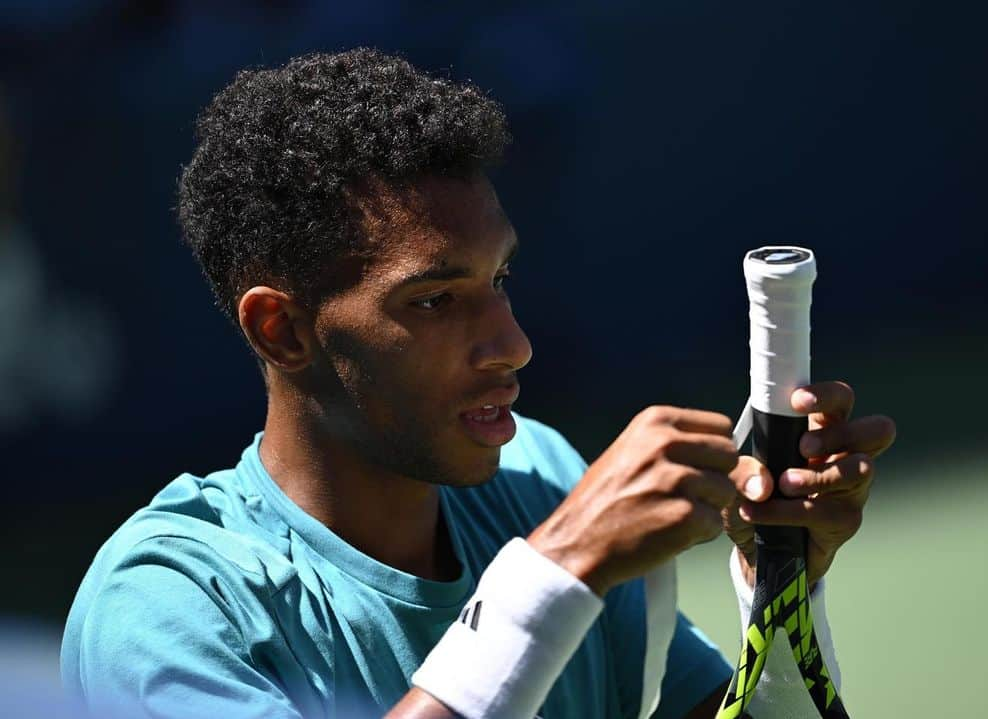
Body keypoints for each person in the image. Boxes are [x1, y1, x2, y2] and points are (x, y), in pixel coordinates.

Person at [60, 48, 896, 719]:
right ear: (282, 328)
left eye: (501, 279)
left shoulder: (539, 475)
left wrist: (782, 587)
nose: (512, 345)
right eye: (434, 299)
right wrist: (557, 570)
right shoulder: (164, 605)